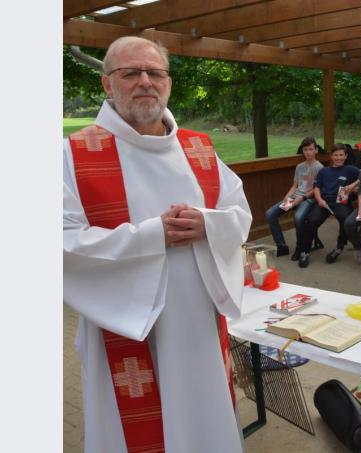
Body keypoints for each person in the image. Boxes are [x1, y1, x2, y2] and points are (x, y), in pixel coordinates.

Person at [63, 36, 250, 452]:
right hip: (124, 325)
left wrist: (208, 225)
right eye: (131, 73)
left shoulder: (198, 148)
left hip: (198, 321)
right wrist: (151, 236)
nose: (145, 81)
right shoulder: (73, 155)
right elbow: (59, 243)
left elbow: (239, 214)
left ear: (168, 82)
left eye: (155, 73)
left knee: (203, 415)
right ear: (107, 85)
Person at [298, 144, 361, 267]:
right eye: (335, 155)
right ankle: (305, 251)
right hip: (323, 202)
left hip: (340, 203)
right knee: (310, 221)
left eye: (341, 155)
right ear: (331, 156)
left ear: (346, 156)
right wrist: (320, 200)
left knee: (346, 220)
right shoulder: (324, 171)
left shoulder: (351, 170)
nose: (338, 158)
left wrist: (353, 186)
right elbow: (316, 188)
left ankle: (338, 248)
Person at [266, 137, 324, 258]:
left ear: (316, 150)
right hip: (295, 197)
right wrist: (287, 197)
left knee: (298, 218)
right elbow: (295, 185)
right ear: (302, 151)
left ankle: (300, 248)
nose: (308, 152)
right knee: (270, 214)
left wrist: (301, 199)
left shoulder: (319, 168)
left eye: (311, 149)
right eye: (305, 149)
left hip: (308, 199)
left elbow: (316, 189)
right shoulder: (299, 167)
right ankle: (282, 246)